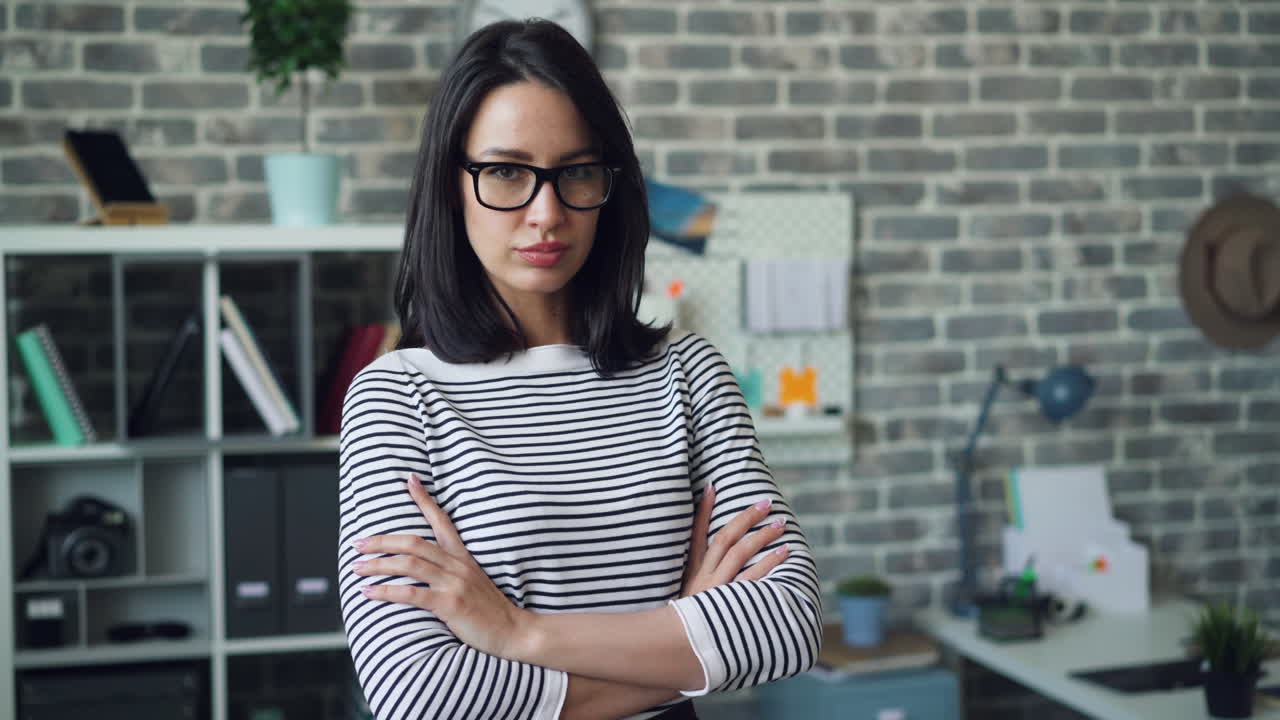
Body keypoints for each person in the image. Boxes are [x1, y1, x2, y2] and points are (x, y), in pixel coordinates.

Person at [338, 19, 822, 720]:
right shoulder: (397, 395)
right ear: (452, 185)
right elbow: (418, 693)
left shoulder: (687, 374)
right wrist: (685, 638)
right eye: (506, 171)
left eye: (576, 173)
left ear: (608, 183)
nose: (547, 213)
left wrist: (518, 632)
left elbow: (785, 624)